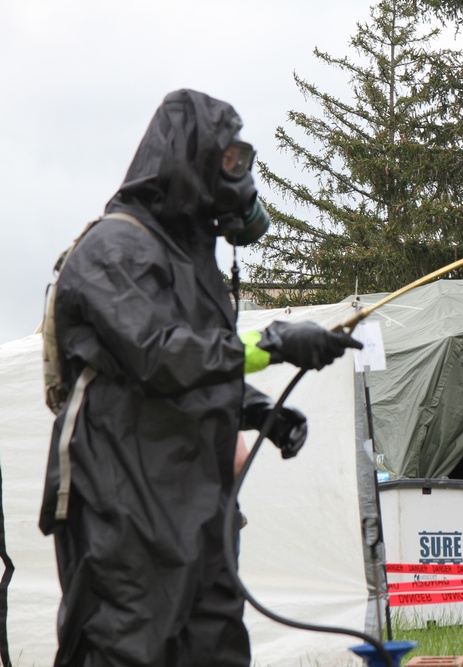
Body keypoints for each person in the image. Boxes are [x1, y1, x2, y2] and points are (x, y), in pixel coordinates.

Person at [38, 89, 362, 667]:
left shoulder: (193, 262)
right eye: (228, 160)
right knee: (127, 648)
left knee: (214, 647)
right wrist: (274, 343)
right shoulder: (113, 248)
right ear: (187, 160)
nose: (237, 175)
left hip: (198, 499)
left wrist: (253, 406)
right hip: (122, 499)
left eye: (242, 162)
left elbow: (202, 357)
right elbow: (158, 355)